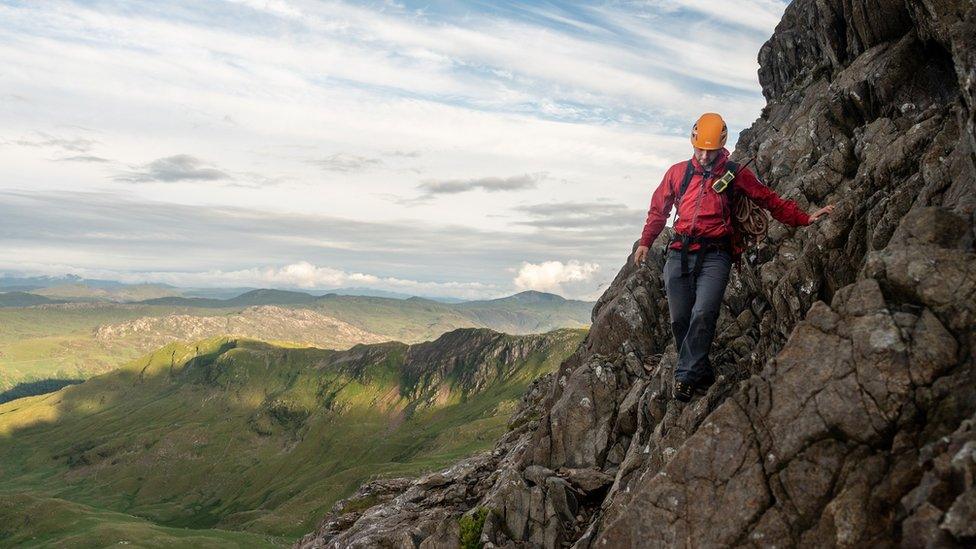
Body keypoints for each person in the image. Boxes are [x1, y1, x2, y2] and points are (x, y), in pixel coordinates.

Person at [632, 113, 834, 402]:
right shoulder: (678, 173)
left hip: (716, 254)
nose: (704, 155)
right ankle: (699, 371)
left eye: (710, 150)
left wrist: (803, 218)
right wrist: (645, 242)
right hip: (679, 252)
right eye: (699, 148)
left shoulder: (736, 174)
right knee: (680, 319)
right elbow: (658, 210)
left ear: (721, 146)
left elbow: (768, 199)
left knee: (704, 313)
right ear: (692, 142)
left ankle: (685, 377)